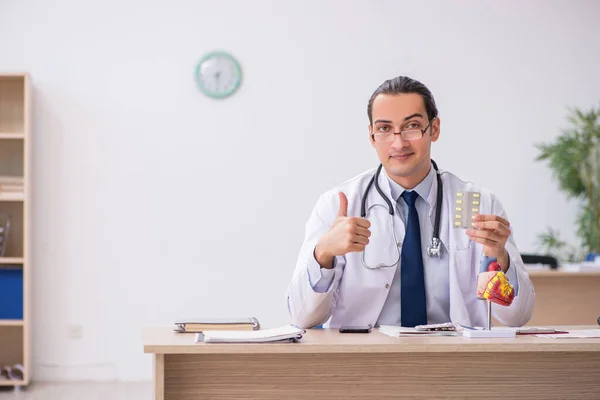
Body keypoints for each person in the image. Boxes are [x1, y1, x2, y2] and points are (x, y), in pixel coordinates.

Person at [286, 76, 535, 329]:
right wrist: (323, 253)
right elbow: (301, 317)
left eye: (412, 126)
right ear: (372, 136)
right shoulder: (337, 205)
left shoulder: (478, 204)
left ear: (434, 129)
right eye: (384, 129)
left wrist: (500, 259)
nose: (399, 142)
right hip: (366, 361)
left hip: (455, 359)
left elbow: (517, 317)